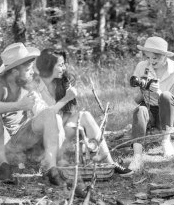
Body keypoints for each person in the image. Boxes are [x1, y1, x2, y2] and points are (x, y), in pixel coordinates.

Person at [0, 42, 69, 186]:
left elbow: (42, 111)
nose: (32, 72)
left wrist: (56, 123)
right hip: (5, 146)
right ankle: (4, 166)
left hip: (24, 143)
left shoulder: (26, 83)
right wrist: (18, 105)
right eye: (28, 69)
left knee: (51, 115)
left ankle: (51, 169)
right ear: (15, 71)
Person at [34, 48, 133, 177]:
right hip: (42, 138)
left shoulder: (60, 83)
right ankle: (52, 164)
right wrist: (66, 99)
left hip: (60, 132)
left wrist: (77, 127)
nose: (64, 68)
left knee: (84, 115)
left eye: (64, 64)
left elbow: (66, 115)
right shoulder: (35, 86)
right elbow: (44, 115)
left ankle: (110, 163)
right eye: (60, 64)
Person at [128, 36, 174, 172]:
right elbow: (136, 100)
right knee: (139, 110)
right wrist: (144, 88)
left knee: (165, 95)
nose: (151, 61)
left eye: (155, 58)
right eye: (148, 57)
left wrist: (158, 91)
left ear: (164, 56)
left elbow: (172, 99)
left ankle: (166, 141)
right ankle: (137, 156)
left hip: (170, 112)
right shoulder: (142, 67)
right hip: (150, 109)